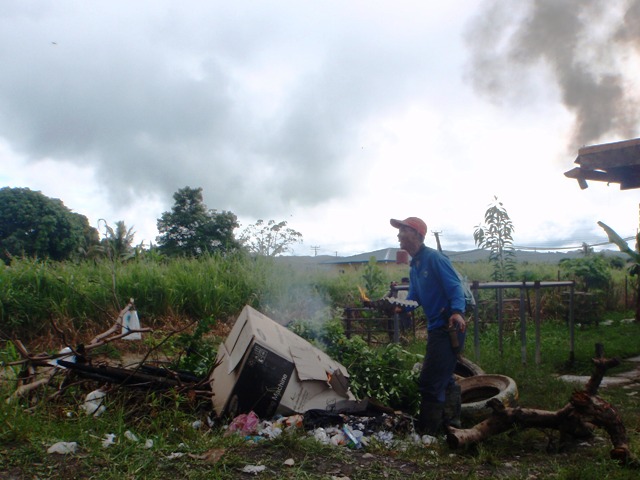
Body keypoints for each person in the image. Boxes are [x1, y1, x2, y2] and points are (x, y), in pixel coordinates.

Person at [390, 216, 467, 435]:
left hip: (448, 327)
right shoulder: (414, 266)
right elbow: (415, 296)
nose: (398, 235)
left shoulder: (434, 258)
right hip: (436, 328)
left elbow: (455, 287)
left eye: (403, 230)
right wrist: (401, 307)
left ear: (417, 235)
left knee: (429, 380)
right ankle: (452, 425)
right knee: (445, 376)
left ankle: (428, 432)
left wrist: (458, 312)